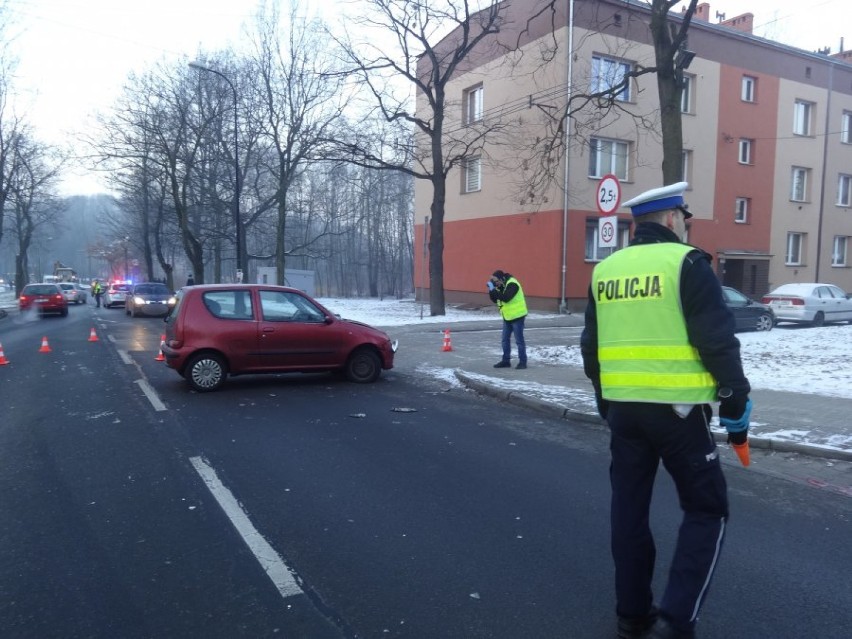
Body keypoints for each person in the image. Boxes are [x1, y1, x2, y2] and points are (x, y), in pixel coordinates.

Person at [579, 182, 752, 639]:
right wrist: (735, 397)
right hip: (678, 413)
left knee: (629, 511)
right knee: (707, 509)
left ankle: (632, 616)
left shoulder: (605, 270)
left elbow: (591, 347)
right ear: (673, 219)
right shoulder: (688, 262)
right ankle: (676, 621)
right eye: (685, 219)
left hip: (624, 412)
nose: (687, 225)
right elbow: (715, 340)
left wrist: (605, 400)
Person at [487, 269, 528, 369]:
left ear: (501, 278)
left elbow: (506, 298)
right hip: (507, 316)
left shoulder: (512, 284)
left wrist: (494, 289)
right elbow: (494, 299)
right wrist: (491, 290)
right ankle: (506, 361)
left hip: (518, 316)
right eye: (494, 282)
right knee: (505, 340)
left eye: (496, 281)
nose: (495, 283)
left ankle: (523, 362)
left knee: (519, 341)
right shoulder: (502, 285)